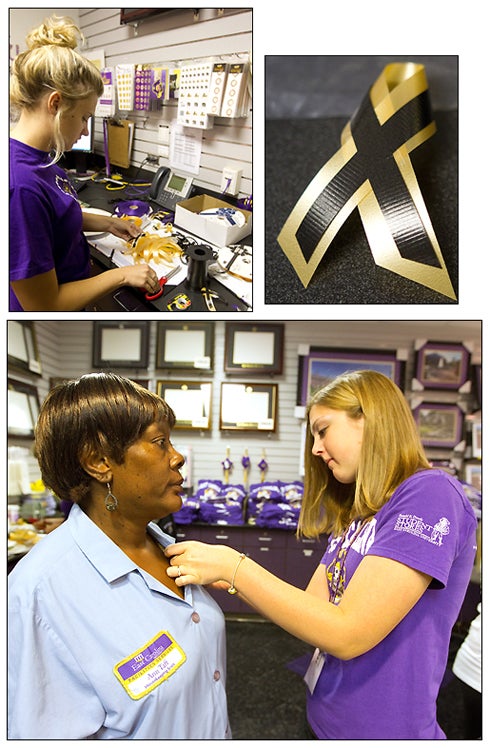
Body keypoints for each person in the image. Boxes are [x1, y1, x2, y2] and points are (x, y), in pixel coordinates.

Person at [165, 370, 478, 740]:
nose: (315, 448)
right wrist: (236, 581)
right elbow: (314, 608)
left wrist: (236, 568)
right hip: (324, 717)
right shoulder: (361, 512)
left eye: (323, 429)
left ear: (369, 420)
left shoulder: (429, 493)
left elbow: (347, 632)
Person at [8, 373, 230, 739]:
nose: (177, 458)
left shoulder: (165, 548)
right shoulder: (39, 593)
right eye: (160, 442)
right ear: (99, 462)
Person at [9, 16, 161, 311]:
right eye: (84, 118)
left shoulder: (41, 159)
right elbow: (45, 305)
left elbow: (55, 216)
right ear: (55, 104)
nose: (85, 131)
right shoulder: (19, 187)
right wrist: (122, 275)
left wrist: (106, 222)